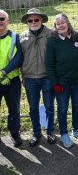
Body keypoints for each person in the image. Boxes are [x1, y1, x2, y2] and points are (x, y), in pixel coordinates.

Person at [45, 14, 78, 149]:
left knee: (77, 105)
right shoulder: (52, 41)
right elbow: (49, 64)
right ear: (55, 27)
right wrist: (55, 83)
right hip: (62, 83)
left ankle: (76, 129)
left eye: (63, 22)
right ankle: (63, 134)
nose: (61, 25)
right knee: (62, 108)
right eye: (58, 24)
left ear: (68, 23)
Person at [19, 8, 55, 146]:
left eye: (36, 19)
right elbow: (19, 58)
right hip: (29, 78)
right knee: (33, 107)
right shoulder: (22, 37)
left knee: (49, 106)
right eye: (30, 20)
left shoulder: (51, 34)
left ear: (41, 20)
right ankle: (36, 132)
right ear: (27, 22)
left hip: (47, 77)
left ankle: (50, 131)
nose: (33, 22)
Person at [0, 10, 23, 147]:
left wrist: (5, 72)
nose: (0, 21)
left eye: (2, 18)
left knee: (14, 108)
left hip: (12, 80)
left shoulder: (15, 37)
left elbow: (19, 56)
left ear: (8, 21)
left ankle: (15, 133)